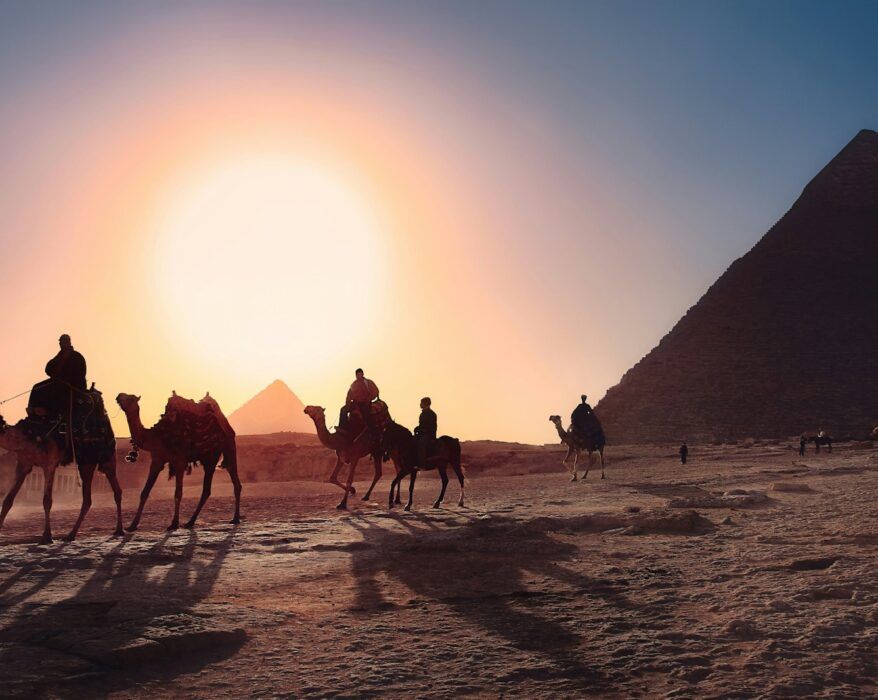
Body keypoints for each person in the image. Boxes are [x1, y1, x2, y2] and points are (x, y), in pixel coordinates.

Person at [28, 334, 88, 419]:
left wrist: (65, 380)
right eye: (60, 342)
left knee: (54, 391)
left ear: (68, 342)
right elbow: (48, 368)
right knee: (37, 387)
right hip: (58, 382)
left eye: (62, 342)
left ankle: (48, 411)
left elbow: (80, 374)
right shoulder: (59, 356)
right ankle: (33, 410)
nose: (61, 344)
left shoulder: (77, 356)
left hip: (73, 386)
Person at [345, 368, 380, 437]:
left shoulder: (368, 383)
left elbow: (375, 391)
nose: (359, 376)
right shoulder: (353, 385)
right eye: (357, 374)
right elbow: (349, 396)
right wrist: (347, 405)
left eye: (360, 374)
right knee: (343, 410)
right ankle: (343, 429)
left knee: (366, 415)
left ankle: (373, 433)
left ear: (362, 374)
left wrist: (368, 399)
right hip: (356, 403)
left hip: (366, 403)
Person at [414, 396, 437, 466]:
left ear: (426, 404)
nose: (420, 404)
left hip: (428, 435)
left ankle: (422, 463)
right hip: (422, 433)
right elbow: (421, 425)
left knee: (421, 444)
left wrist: (433, 437)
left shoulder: (431, 414)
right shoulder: (423, 413)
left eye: (421, 403)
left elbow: (433, 427)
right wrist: (417, 428)